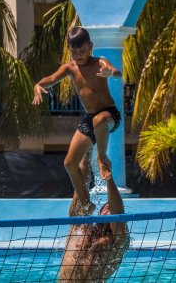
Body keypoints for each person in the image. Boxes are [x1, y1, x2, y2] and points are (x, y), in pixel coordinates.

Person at [32, 27, 122, 215]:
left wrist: (110, 73)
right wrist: (38, 86)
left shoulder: (99, 62)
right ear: (69, 50)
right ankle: (86, 202)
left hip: (108, 115)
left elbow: (116, 72)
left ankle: (101, 157)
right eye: (74, 52)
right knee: (69, 163)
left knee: (99, 120)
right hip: (89, 120)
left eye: (83, 51)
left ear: (90, 46)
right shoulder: (70, 68)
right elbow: (51, 79)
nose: (79, 56)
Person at [59, 177, 129, 282]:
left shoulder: (118, 242)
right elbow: (79, 189)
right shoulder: (81, 229)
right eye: (106, 208)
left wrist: (109, 178)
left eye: (111, 209)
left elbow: (117, 213)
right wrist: (82, 163)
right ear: (100, 214)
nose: (109, 209)